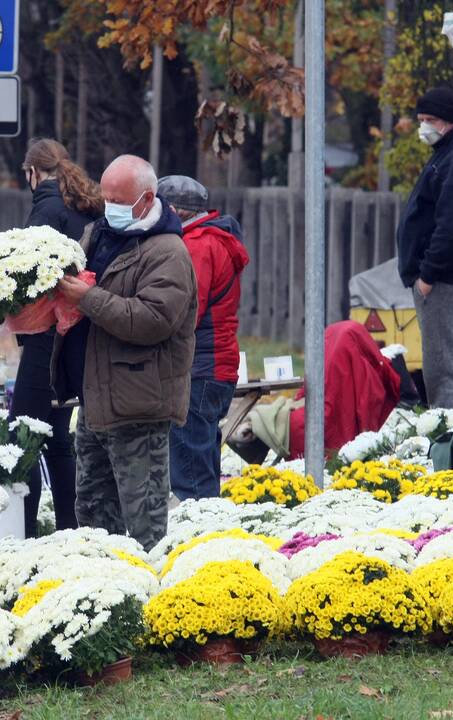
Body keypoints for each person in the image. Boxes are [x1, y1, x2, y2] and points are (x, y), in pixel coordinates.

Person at [51, 155, 197, 551]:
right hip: (96, 401)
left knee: (145, 525)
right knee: (95, 520)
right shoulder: (98, 233)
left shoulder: (168, 252)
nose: (108, 206)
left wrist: (88, 299)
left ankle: (152, 601)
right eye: (106, 196)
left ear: (148, 199)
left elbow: (152, 320)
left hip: (138, 408)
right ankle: (107, 596)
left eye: (118, 199)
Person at [0, 139, 103, 535]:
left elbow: (28, 277)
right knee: (56, 436)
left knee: (21, 437)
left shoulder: (46, 207)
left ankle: (23, 533)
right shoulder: (82, 202)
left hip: (45, 341)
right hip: (74, 337)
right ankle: (70, 529)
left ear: (32, 172)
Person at [157, 175, 249, 501]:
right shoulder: (211, 239)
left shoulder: (197, 245)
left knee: (190, 473)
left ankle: (200, 535)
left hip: (199, 368)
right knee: (201, 456)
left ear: (173, 210)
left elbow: (184, 312)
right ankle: (209, 530)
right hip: (214, 366)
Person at [397, 86, 453, 408]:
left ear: (448, 121)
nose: (423, 126)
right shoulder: (450, 156)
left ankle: (452, 445)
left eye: (429, 119)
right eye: (421, 119)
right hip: (443, 279)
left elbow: (450, 227)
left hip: (442, 281)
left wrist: (427, 277)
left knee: (444, 370)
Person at [234, 321, 403, 463]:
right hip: (320, 428)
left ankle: (244, 430)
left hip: (305, 424)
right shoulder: (361, 369)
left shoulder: (337, 354)